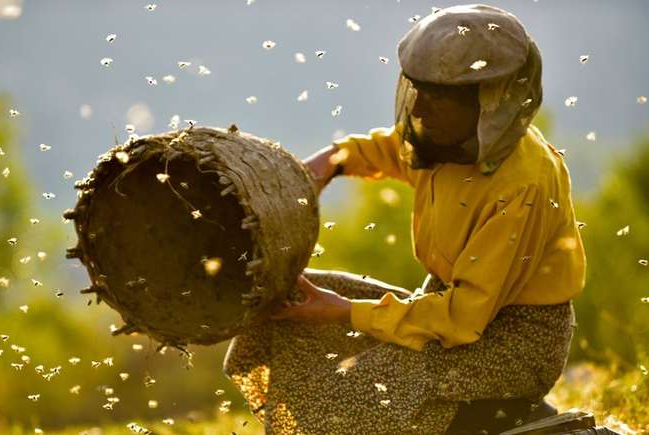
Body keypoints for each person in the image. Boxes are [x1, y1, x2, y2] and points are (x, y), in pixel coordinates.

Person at [223, 4, 587, 434]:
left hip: (511, 345)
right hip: (445, 315)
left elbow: (462, 318)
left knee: (354, 389)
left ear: (489, 103)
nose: (418, 113)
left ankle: (501, 419)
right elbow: (387, 149)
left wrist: (343, 313)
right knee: (287, 306)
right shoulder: (448, 138)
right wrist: (327, 165)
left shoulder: (523, 184)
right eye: (418, 94)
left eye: (437, 101)